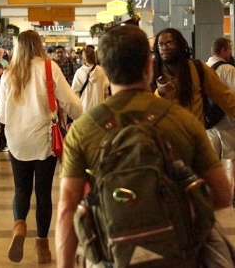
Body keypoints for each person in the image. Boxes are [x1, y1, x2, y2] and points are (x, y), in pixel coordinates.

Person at [56, 25, 232, 268]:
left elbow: (67, 209)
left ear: (105, 69)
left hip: (112, 254)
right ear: (149, 67)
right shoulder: (184, 122)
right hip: (178, 254)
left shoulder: (83, 130)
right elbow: (222, 195)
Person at [0, 30, 82, 264]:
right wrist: (84, 117)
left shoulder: (8, 74)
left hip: (17, 141)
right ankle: (42, 245)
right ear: (38, 45)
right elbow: (70, 102)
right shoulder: (48, 68)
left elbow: (1, 115)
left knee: (21, 190)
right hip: (44, 139)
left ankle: (19, 225)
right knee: (43, 193)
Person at [153, 28, 235, 122]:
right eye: (160, 44)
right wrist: (159, 93)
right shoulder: (153, 72)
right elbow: (145, 108)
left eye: (169, 43)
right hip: (165, 135)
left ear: (179, 45)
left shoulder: (197, 68)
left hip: (194, 134)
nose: (164, 48)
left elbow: (225, 97)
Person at [206, 37, 235, 206]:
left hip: (209, 121)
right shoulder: (228, 69)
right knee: (233, 158)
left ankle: (211, 193)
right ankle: (232, 194)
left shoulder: (204, 67)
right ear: (224, 50)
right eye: (230, 49)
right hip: (228, 122)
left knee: (211, 159)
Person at [71, 45, 110, 111]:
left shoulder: (80, 72)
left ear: (83, 58)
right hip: (99, 109)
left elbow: (74, 92)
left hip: (84, 108)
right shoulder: (101, 71)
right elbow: (106, 92)